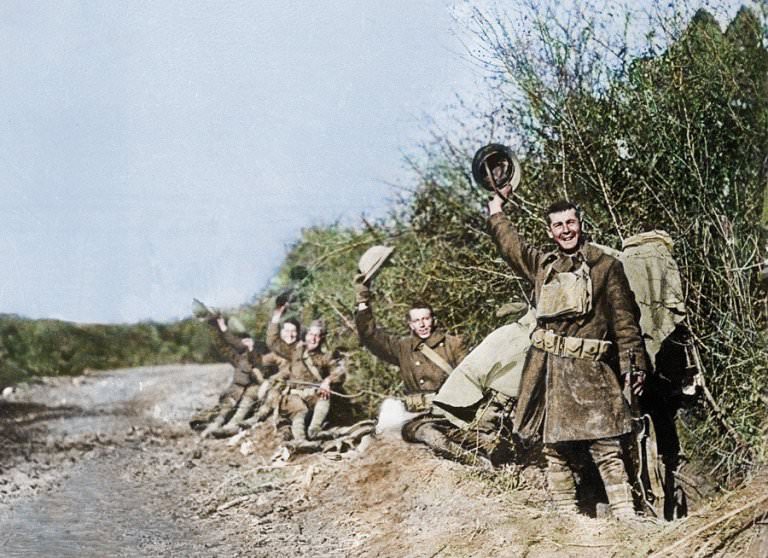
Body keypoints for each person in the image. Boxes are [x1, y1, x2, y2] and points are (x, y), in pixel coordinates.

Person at [487, 190, 650, 520]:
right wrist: (496, 211)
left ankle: (625, 515)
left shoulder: (606, 267)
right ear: (550, 232)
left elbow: (624, 321)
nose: (565, 230)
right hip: (548, 372)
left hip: (592, 372)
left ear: (580, 224)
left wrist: (634, 366)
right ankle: (566, 518)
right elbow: (511, 246)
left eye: (570, 222)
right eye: (558, 225)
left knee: (606, 444)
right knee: (554, 449)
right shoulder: (543, 266)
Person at [354, 278, 472, 461]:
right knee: (434, 438)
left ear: (434, 320)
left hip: (454, 414)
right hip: (418, 418)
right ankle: (473, 462)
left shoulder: (453, 344)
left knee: (477, 438)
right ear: (410, 324)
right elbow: (370, 336)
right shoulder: (403, 348)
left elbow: (470, 377)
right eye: (417, 321)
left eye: (426, 319)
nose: (422, 325)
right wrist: (363, 302)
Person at [266, 305, 345, 447]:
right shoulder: (294, 351)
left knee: (324, 397)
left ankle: (314, 431)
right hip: (293, 396)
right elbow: (273, 342)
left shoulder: (324, 357)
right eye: (311, 334)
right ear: (305, 335)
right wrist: (276, 316)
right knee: (299, 409)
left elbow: (339, 371)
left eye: (317, 335)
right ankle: (300, 441)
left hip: (312, 395)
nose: (313, 339)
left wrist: (328, 381)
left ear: (321, 338)